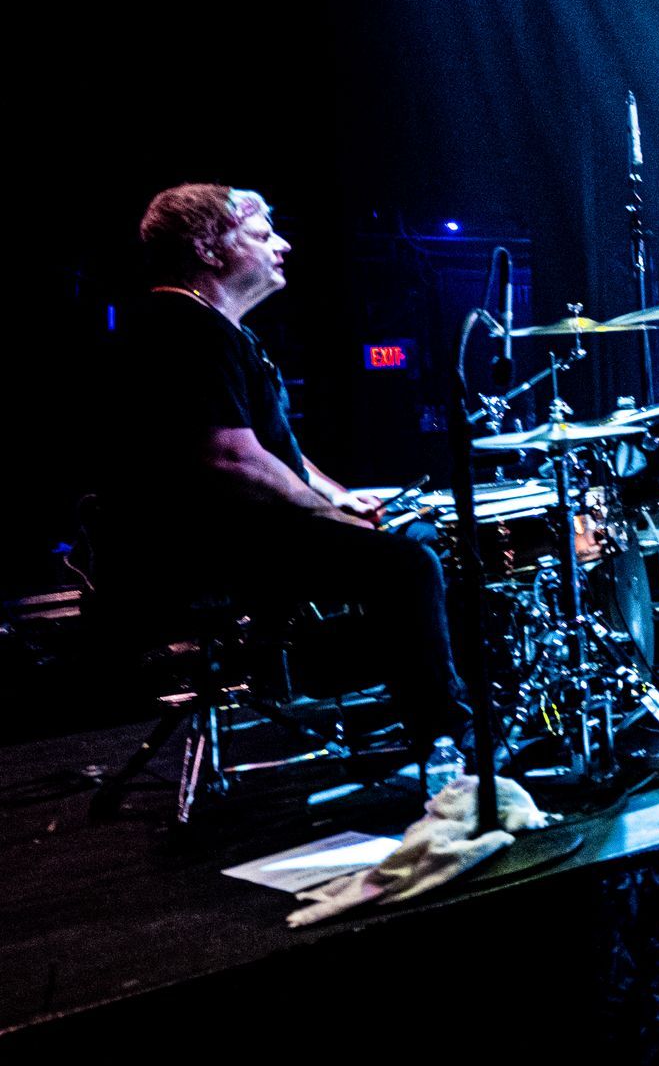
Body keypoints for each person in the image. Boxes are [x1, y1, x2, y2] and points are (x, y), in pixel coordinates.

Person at [97, 184, 467, 755]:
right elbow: (232, 458)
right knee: (408, 563)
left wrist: (341, 499)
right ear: (208, 248)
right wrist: (327, 513)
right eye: (263, 235)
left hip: (242, 534)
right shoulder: (184, 328)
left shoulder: (218, 329)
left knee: (415, 534)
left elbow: (275, 448)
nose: (284, 246)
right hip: (207, 548)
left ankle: (408, 705)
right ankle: (446, 738)